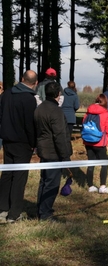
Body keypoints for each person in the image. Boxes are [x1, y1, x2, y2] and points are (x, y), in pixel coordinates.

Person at [0, 70, 38, 223]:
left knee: (7, 175)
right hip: (22, 143)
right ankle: (14, 213)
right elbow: (30, 125)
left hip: (7, 140)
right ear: (35, 83)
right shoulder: (29, 99)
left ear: (21, 79)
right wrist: (33, 144)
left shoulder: (7, 94)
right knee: (19, 177)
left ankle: (2, 209)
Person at [34, 82, 72, 221]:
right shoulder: (55, 111)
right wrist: (65, 156)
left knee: (44, 181)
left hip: (43, 150)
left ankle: (41, 209)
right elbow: (60, 135)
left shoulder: (40, 108)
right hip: (53, 152)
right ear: (58, 94)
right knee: (51, 184)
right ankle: (45, 213)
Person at [83, 94, 108, 193]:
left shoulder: (88, 111)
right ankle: (102, 186)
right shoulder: (105, 113)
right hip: (100, 142)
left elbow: (84, 124)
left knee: (91, 163)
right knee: (104, 163)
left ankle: (90, 186)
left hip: (88, 142)